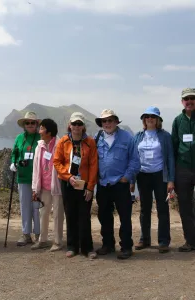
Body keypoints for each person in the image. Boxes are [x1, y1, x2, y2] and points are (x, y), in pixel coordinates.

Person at [95, 109, 140, 259]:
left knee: (125, 217)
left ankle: (126, 247)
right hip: (103, 184)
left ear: (116, 121)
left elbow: (135, 160)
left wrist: (126, 177)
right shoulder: (97, 138)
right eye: (104, 121)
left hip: (120, 184)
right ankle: (108, 245)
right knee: (104, 216)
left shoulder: (127, 137)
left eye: (110, 120)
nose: (107, 123)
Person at [53, 112, 98, 259]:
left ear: (83, 126)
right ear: (69, 125)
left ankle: (87, 248)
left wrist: (90, 187)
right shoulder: (63, 141)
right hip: (68, 184)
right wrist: (68, 177)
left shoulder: (90, 142)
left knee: (84, 216)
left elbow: (93, 165)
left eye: (79, 124)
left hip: (84, 185)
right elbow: (57, 162)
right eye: (74, 124)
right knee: (70, 215)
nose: (76, 127)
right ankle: (72, 246)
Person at [132, 106, 175, 253]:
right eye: (147, 116)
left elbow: (170, 158)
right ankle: (145, 239)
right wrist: (132, 180)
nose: (150, 119)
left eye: (153, 117)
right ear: (144, 120)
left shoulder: (165, 136)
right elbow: (133, 157)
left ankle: (163, 241)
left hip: (159, 176)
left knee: (162, 208)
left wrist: (171, 180)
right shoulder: (138, 136)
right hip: (143, 175)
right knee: (145, 208)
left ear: (158, 120)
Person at [31, 118, 64, 252]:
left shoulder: (60, 144)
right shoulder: (39, 146)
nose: (40, 131)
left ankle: (57, 241)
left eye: (42, 128)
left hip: (56, 186)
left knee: (57, 214)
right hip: (43, 187)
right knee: (43, 213)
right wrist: (35, 188)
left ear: (49, 132)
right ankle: (42, 240)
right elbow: (36, 167)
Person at [10, 112, 41, 246]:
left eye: (32, 123)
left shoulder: (41, 138)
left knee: (37, 207)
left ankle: (39, 234)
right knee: (25, 206)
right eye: (27, 123)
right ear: (24, 125)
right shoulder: (19, 138)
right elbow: (15, 153)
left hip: (38, 178)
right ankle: (26, 234)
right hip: (23, 177)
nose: (30, 125)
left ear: (36, 124)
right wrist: (14, 162)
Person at [172, 88, 195, 252]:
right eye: (186, 99)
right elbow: (174, 145)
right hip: (183, 169)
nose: (189, 101)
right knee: (185, 206)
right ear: (182, 102)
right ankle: (191, 241)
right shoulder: (178, 121)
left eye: (192, 98)